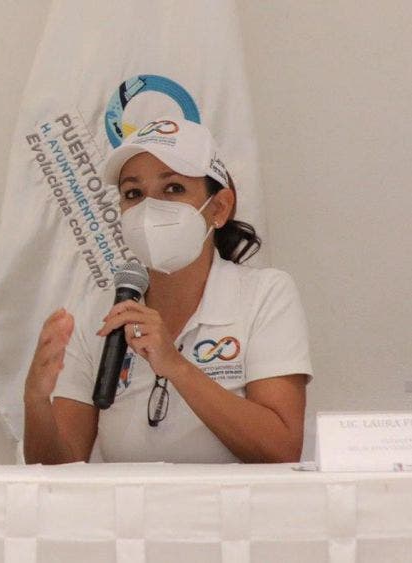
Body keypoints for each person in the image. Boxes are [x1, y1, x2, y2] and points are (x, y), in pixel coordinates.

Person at [23, 118, 311, 464]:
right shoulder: (98, 313)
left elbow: (282, 449)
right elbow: (59, 469)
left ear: (219, 208)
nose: (149, 208)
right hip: (129, 501)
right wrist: (35, 401)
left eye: (173, 188)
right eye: (133, 193)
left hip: (230, 501)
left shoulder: (265, 295)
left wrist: (175, 366)